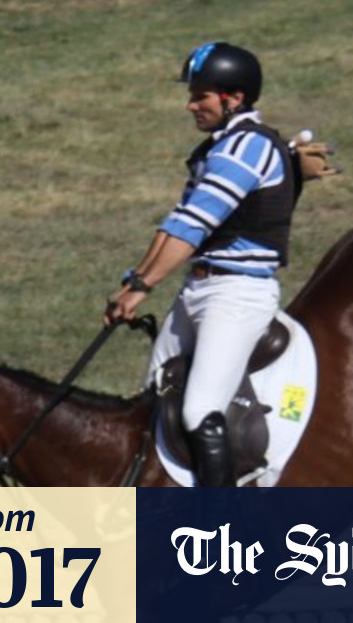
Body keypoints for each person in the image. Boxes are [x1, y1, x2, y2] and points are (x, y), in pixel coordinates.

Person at [103, 42, 298, 487]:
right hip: (200, 290)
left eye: (200, 96)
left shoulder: (246, 148)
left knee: (198, 410)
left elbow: (193, 229)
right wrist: (135, 280)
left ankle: (221, 525)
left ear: (235, 98)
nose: (191, 105)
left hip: (237, 295)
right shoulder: (219, 149)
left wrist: (143, 288)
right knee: (154, 400)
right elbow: (173, 226)